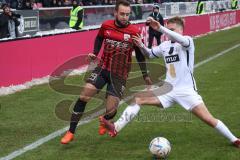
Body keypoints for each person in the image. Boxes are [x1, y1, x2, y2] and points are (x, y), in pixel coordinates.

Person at [100, 16, 240, 148]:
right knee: (138, 98)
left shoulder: (187, 42)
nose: (169, 33)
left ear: (180, 30)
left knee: (209, 119)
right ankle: (116, 127)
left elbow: (179, 39)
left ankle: (234, 139)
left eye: (172, 30)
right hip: (168, 90)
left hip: (186, 91)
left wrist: (160, 28)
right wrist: (141, 45)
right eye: (168, 30)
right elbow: (149, 54)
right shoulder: (165, 45)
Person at [61, 0, 152, 144]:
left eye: (127, 14)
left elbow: (140, 54)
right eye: (122, 14)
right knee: (84, 96)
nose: (125, 17)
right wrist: (95, 53)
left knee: (110, 110)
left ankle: (105, 120)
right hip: (103, 68)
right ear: (115, 12)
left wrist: (145, 74)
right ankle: (71, 132)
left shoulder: (134, 31)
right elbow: (99, 38)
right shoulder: (106, 25)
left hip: (119, 75)